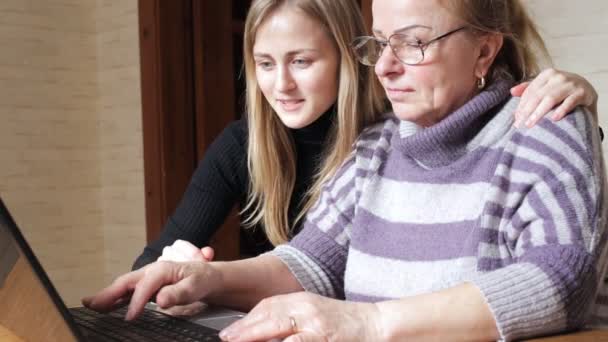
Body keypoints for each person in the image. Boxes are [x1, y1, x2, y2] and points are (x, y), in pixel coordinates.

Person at [87, 0, 608, 341]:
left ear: (485, 49)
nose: (384, 67)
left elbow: (559, 280)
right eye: (380, 44)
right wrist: (209, 278)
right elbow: (309, 262)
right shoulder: (377, 146)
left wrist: (367, 322)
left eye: (413, 43)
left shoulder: (547, 125)